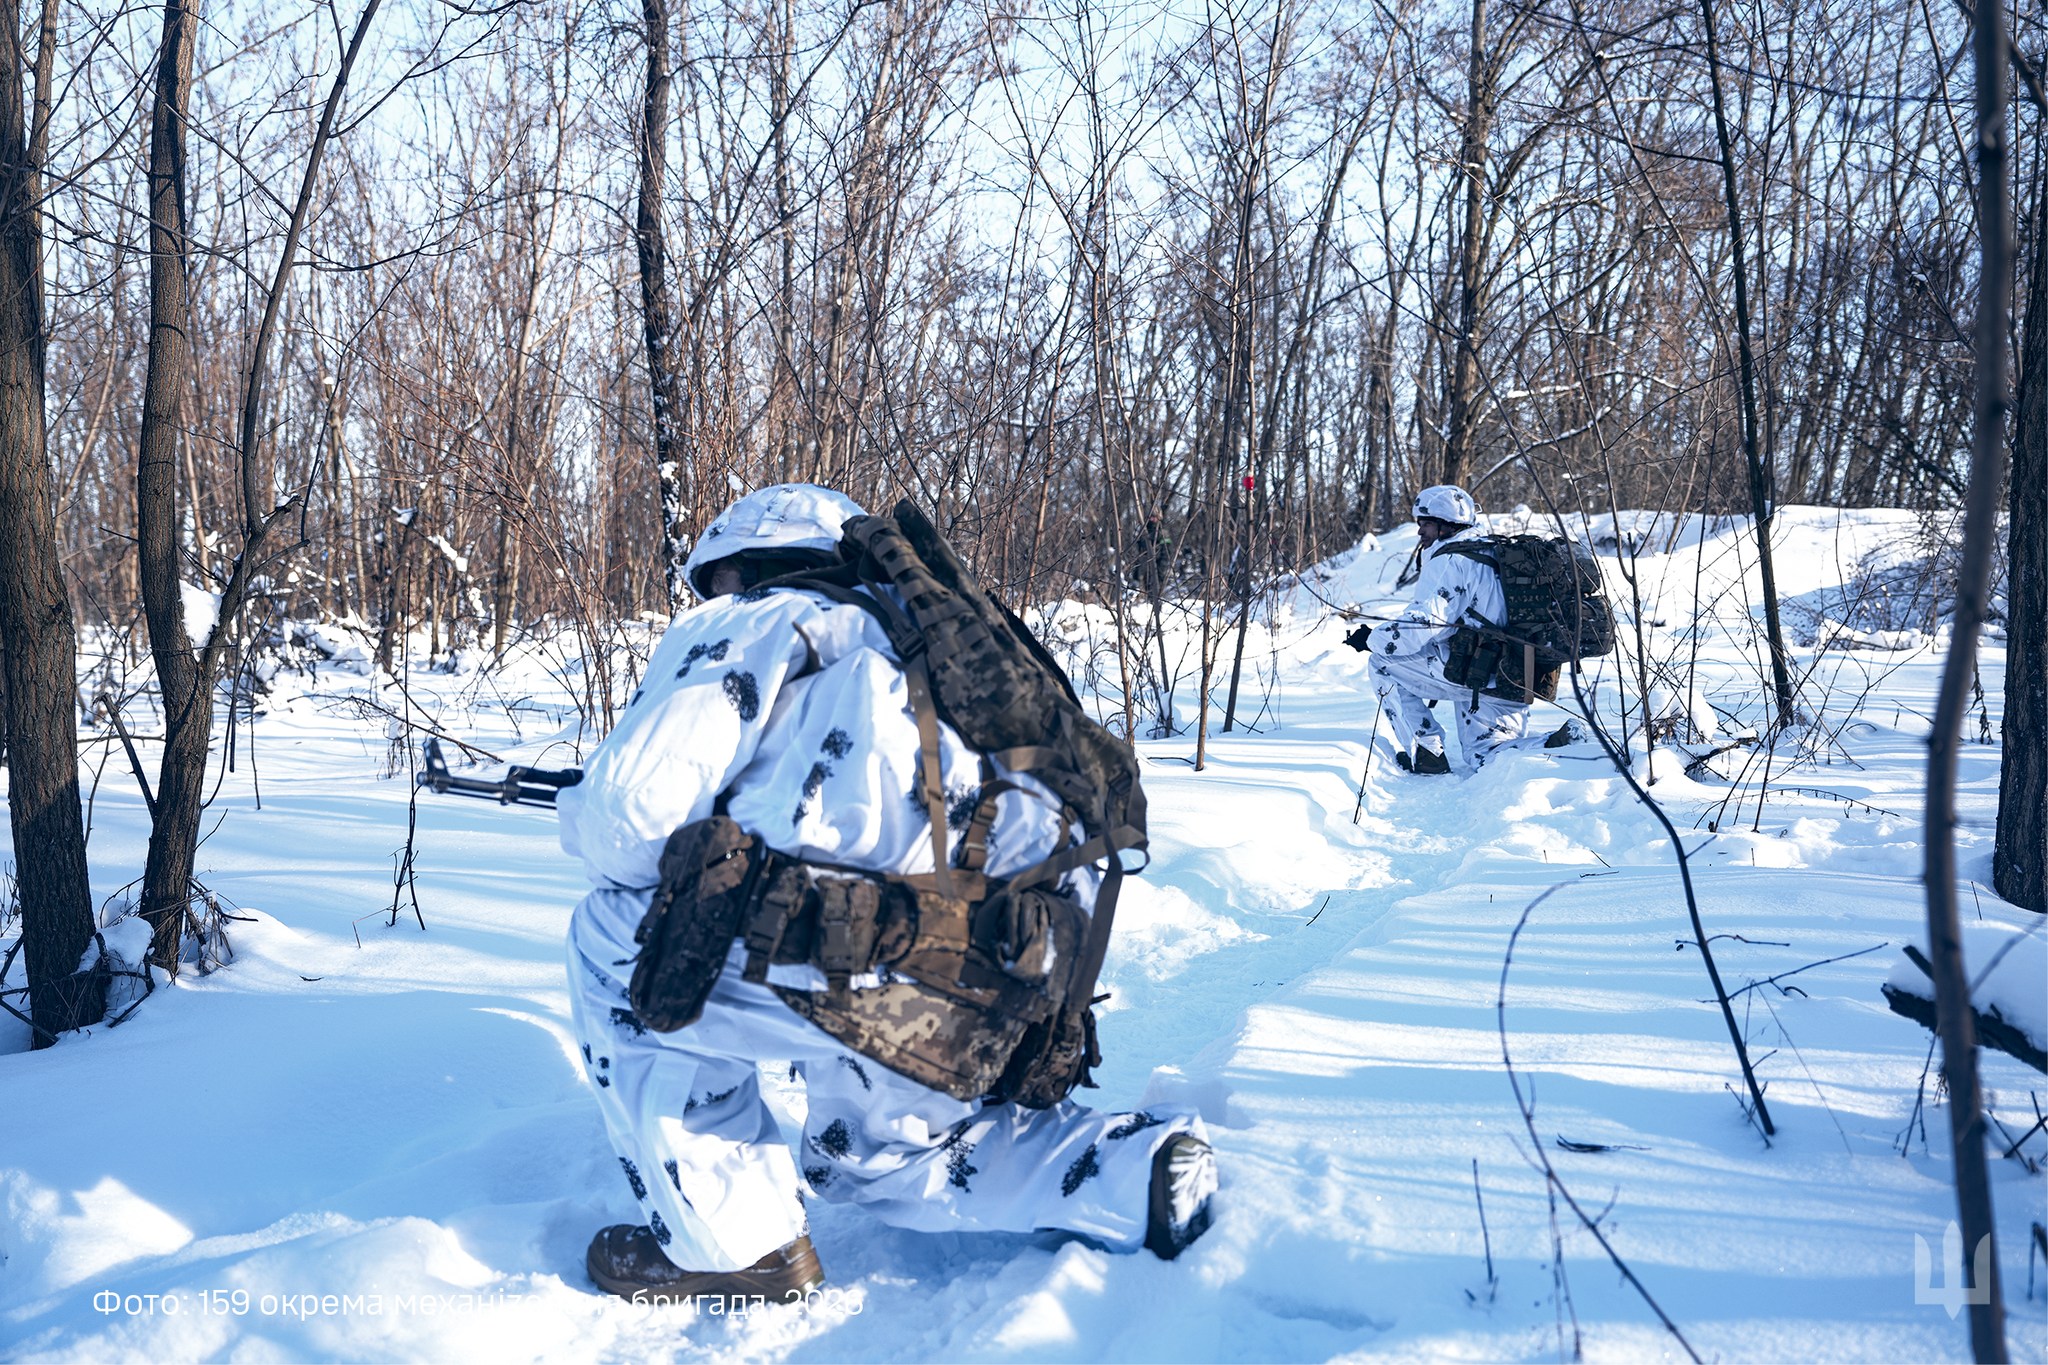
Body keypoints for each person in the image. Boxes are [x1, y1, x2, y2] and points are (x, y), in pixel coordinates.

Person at [556, 483, 1217, 1303]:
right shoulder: (941, 653)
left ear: (744, 561)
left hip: (853, 958)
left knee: (611, 936)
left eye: (719, 581)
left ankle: (733, 1243)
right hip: (1005, 971)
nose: (716, 598)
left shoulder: (763, 616)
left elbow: (630, 816)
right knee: (872, 1162)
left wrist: (592, 813)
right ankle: (1139, 1171)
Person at [1343, 484, 1530, 774]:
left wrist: (1373, 639)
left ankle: (1426, 750)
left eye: (1426, 524)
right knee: (1489, 755)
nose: (1420, 532)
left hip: (1474, 672)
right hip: (1516, 672)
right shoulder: (1495, 553)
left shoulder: (1451, 561)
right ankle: (1563, 746)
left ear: (1447, 526)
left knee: (1381, 662)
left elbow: (1424, 626)